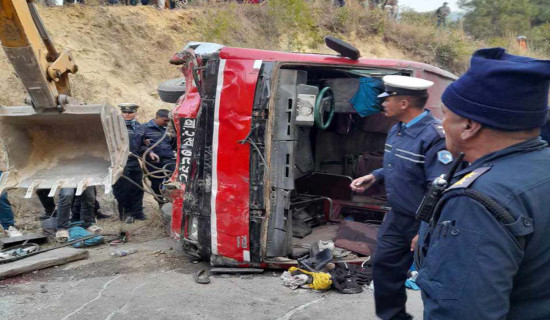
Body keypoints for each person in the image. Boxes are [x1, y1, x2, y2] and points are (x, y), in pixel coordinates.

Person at [415, 48, 550, 319]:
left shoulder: (477, 202)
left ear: (468, 126)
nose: (442, 125)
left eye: (445, 115)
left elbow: (462, 311)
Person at [350, 75, 453, 320]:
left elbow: (439, 187)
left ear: (404, 103)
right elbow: (401, 165)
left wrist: (425, 229)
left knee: (432, 279)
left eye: (388, 98)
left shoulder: (434, 137)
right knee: (384, 267)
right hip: (398, 216)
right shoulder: (398, 129)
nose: (382, 103)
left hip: (423, 220)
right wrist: (375, 176)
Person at [133, 109, 176, 206]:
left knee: (175, 183)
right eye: (164, 120)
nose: (167, 122)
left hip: (170, 161)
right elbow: (136, 146)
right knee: (156, 185)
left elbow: (175, 144)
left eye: (168, 120)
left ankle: (174, 204)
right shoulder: (143, 128)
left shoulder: (170, 128)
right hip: (153, 163)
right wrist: (149, 152)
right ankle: (161, 204)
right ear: (157, 117)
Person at [113, 103, 146, 223]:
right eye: (125, 112)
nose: (127, 114)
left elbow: (142, 144)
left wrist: (146, 149)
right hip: (119, 161)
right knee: (123, 189)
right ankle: (126, 214)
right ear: (121, 113)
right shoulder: (115, 126)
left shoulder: (139, 127)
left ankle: (138, 212)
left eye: (130, 112)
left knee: (138, 187)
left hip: (134, 160)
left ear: (135, 113)